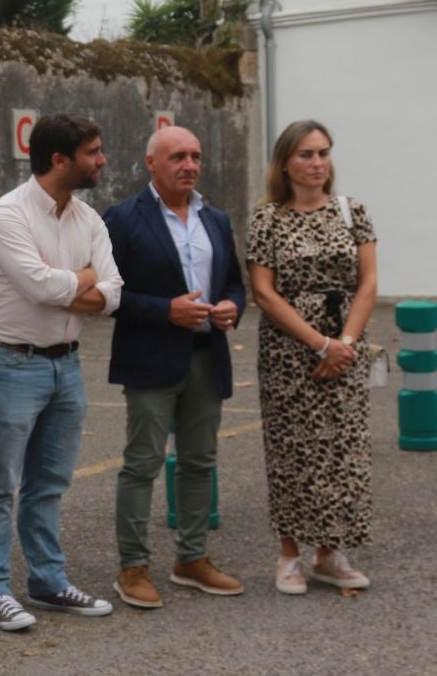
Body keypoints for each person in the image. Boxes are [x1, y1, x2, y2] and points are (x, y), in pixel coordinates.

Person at [0, 113, 122, 632]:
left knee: (49, 483)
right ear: (59, 160)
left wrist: (73, 286)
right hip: (9, 362)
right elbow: (38, 286)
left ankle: (47, 581)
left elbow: (114, 292)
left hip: (66, 364)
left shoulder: (89, 218)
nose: (102, 160)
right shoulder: (6, 215)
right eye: (93, 152)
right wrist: (85, 280)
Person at [104, 126, 246, 608]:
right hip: (150, 359)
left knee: (199, 461)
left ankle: (192, 558)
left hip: (208, 356)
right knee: (142, 464)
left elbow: (234, 283)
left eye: (195, 156)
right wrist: (166, 311)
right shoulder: (123, 218)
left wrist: (232, 306)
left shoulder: (215, 219)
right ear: (151, 163)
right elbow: (109, 294)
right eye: (178, 157)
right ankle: (132, 567)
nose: (190, 165)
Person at [246, 120, 379, 594]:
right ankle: (289, 556)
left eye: (323, 152)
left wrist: (344, 343)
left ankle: (329, 553)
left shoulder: (351, 211)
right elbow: (264, 292)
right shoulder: (267, 218)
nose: (317, 162)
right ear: (285, 163)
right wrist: (320, 344)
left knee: (343, 451)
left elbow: (368, 282)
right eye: (306, 154)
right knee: (291, 452)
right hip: (288, 351)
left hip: (345, 346)